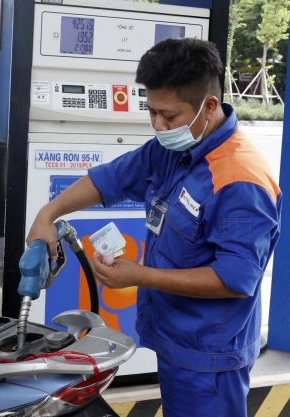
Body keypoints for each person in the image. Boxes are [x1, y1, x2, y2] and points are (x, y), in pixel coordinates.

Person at [27, 38, 281, 416]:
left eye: (169, 116)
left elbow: (235, 279)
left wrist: (140, 276)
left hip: (208, 358)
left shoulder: (239, 180)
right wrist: (47, 214)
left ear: (209, 107)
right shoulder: (175, 146)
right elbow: (111, 178)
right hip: (175, 340)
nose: (159, 125)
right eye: (152, 112)